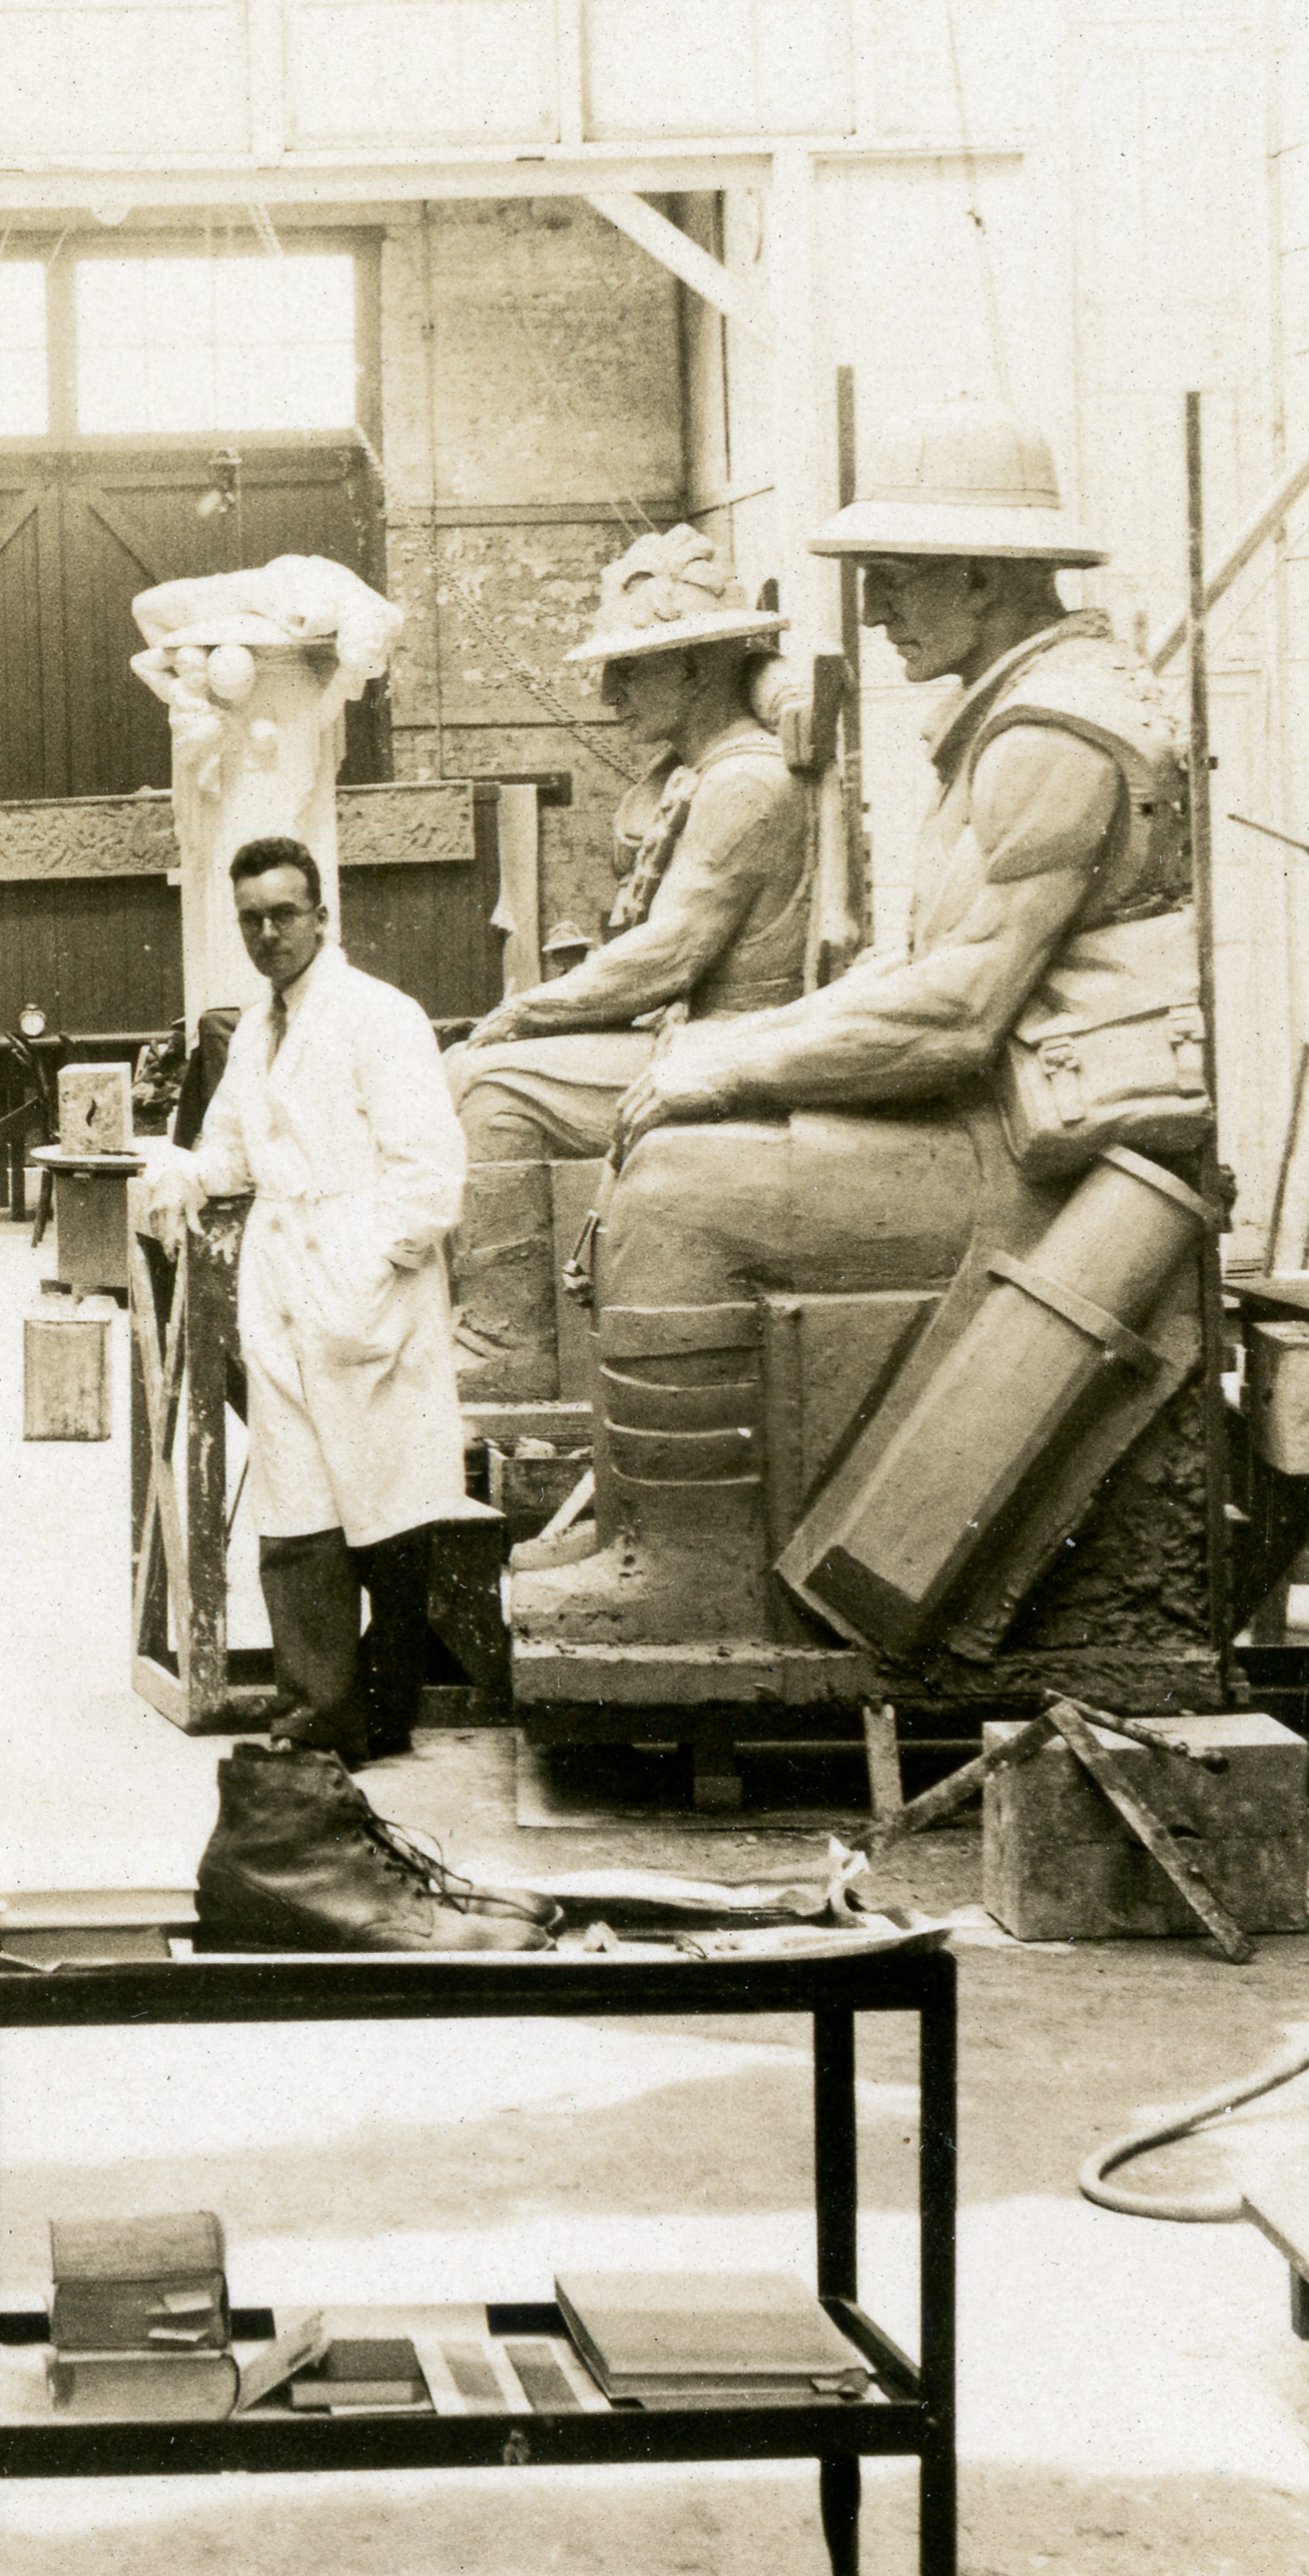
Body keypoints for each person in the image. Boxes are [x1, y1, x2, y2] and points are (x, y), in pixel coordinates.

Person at [509, 398, 1198, 1654]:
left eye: (894, 581)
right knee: (668, 1133)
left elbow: (955, 1011)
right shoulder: (1017, 709)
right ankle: (645, 1520)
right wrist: (718, 1058)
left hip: (1051, 1162)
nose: (875, 612)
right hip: (1012, 1114)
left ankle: (696, 1576)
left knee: (683, 1196)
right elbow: (909, 965)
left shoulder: (1052, 735)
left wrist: (727, 1067)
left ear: (981, 580)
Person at [446, 525, 814, 1401]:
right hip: (690, 1035)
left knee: (496, 1089)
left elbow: (667, 954)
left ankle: (508, 1346)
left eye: (632, 668)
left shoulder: (744, 783)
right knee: (474, 1065)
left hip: (725, 1049)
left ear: (695, 670)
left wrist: (529, 1011)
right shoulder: (705, 769)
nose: (608, 691)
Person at [161, 833, 475, 1764]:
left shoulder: (379, 1015)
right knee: (296, 1507)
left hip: (360, 1274)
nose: (267, 934)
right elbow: (230, 1150)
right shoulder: (255, 1029)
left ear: (321, 915)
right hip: (281, 1274)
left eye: (283, 914)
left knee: (386, 1507)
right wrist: (182, 1172)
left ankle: (382, 1713)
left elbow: (430, 1176)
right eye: (251, 919)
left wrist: (366, 1268)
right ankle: (313, 1715)